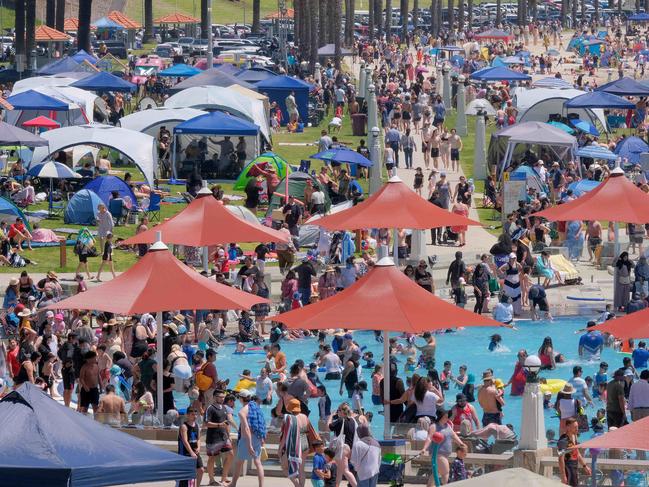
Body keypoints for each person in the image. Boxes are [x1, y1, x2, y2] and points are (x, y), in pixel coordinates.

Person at [419, 409, 466, 486]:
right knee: (446, 472)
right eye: (446, 417)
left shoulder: (448, 425)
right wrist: (424, 448)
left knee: (436, 472)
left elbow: (453, 435)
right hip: (437, 454)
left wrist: (461, 444)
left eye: (448, 417)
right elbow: (429, 438)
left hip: (444, 455)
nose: (448, 418)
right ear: (441, 417)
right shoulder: (434, 426)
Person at [205, 389, 234, 486]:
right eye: (220, 397)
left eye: (223, 397)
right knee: (212, 458)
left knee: (231, 454)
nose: (222, 399)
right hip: (213, 437)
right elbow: (206, 423)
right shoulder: (210, 408)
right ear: (214, 397)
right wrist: (219, 425)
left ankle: (224, 477)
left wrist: (228, 434)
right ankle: (211, 479)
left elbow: (226, 423)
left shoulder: (224, 408)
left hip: (224, 437)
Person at [557, 418, 591, 486]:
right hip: (568, 468)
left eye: (577, 426)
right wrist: (563, 476)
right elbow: (560, 459)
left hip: (575, 466)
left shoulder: (574, 436)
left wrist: (585, 466)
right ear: (568, 427)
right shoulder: (563, 440)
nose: (577, 429)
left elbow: (577, 453)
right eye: (575, 427)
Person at [178, 408, 204, 487]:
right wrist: (191, 452)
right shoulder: (184, 426)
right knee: (185, 474)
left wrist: (199, 448)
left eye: (196, 414)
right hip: (185, 452)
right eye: (192, 415)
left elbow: (198, 438)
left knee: (201, 470)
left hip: (195, 452)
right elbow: (185, 441)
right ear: (187, 415)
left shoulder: (197, 425)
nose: (195, 416)